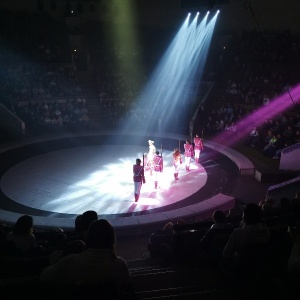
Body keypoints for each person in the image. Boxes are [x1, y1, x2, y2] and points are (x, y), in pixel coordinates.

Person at [40, 219, 132, 297]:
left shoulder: (70, 262)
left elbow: (44, 276)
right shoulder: (120, 265)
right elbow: (126, 286)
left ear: (89, 238)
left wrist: (58, 258)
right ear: (111, 239)